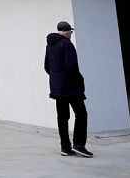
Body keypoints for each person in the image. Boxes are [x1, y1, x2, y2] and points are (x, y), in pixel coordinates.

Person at [45, 20, 92, 158]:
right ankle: (79, 145)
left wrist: (56, 78)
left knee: (62, 117)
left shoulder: (50, 46)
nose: (71, 33)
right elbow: (71, 66)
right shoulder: (67, 44)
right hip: (70, 87)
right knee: (81, 114)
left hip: (57, 87)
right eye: (70, 31)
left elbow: (47, 67)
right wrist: (79, 81)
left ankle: (65, 148)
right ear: (66, 32)